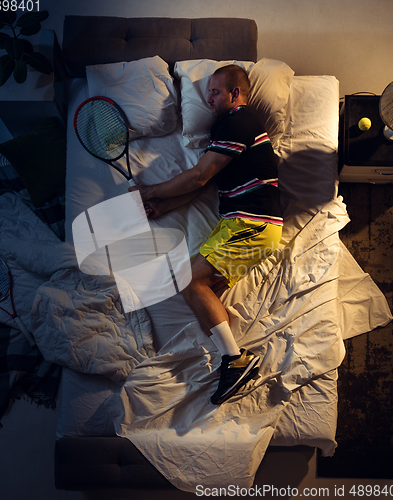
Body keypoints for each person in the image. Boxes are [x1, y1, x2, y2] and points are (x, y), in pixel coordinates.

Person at [129, 64, 283, 405]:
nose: (209, 99)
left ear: (235, 94)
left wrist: (150, 192)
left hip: (252, 224)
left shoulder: (239, 122)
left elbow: (199, 175)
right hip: (243, 225)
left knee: (189, 282)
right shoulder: (227, 133)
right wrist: (165, 206)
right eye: (208, 93)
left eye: (215, 92)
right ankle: (232, 357)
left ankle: (236, 359)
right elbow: (207, 181)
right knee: (197, 291)